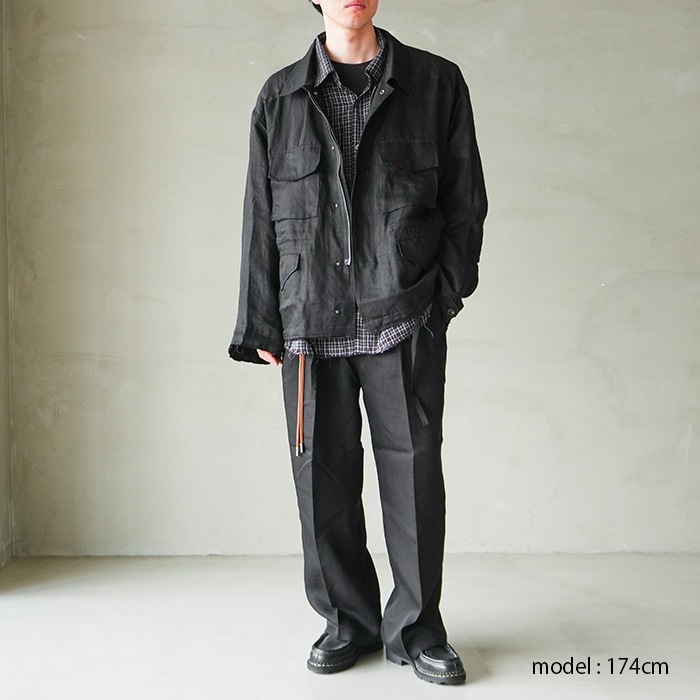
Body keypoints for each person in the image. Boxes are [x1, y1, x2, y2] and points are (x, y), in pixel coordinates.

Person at [228, 0, 487, 686]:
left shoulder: (436, 84)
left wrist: (441, 299)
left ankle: (418, 629)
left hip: (403, 313)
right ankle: (346, 621)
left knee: (414, 475)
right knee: (321, 480)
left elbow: (465, 203)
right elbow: (260, 213)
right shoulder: (279, 98)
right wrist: (260, 322)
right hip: (308, 319)